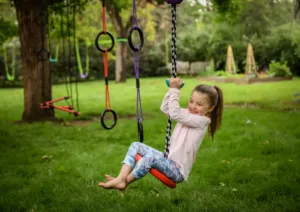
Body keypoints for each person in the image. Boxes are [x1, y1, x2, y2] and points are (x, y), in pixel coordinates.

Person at [99, 77, 224, 190]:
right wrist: (171, 90)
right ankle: (121, 178)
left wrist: (175, 90)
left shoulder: (202, 121)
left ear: (211, 108)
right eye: (191, 101)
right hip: (168, 160)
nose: (193, 106)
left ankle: (125, 182)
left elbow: (174, 113)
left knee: (149, 159)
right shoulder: (188, 114)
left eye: (199, 104)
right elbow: (165, 108)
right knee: (135, 145)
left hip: (177, 170)